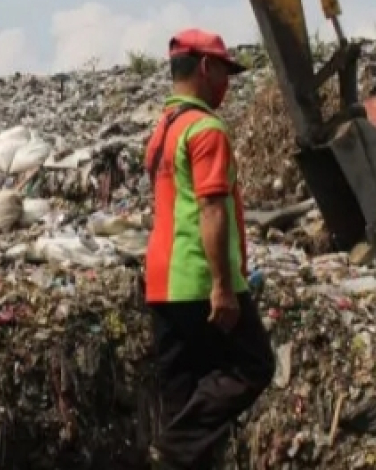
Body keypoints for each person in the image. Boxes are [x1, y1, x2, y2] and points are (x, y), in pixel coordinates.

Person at [144, 28, 276, 469]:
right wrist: (222, 285)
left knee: (183, 397)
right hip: (200, 280)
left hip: (161, 283)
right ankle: (170, 448)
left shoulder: (163, 131)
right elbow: (211, 208)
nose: (227, 84)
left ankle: (174, 452)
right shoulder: (206, 129)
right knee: (254, 365)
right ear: (205, 67)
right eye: (223, 72)